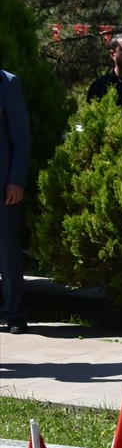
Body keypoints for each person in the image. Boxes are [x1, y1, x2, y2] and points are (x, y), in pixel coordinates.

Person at [0, 67, 31, 334]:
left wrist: (15, 180)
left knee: (7, 249)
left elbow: (21, 139)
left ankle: (14, 313)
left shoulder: (7, 83)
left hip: (3, 184)